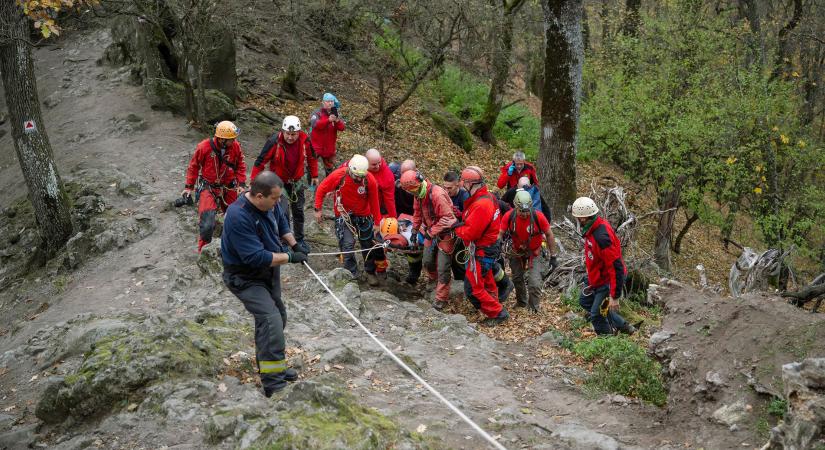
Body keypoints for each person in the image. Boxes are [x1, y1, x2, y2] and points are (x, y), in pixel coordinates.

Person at [221, 171, 309, 397]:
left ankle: (274, 367)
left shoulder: (271, 203)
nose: (278, 202)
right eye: (274, 199)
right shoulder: (238, 216)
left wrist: (294, 244)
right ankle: (273, 383)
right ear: (259, 196)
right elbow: (255, 257)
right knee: (270, 321)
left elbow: (281, 223)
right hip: (244, 277)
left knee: (278, 317)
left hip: (267, 273)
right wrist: (290, 257)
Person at [314, 154, 387, 286]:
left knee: (367, 244)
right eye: (356, 176)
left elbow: (374, 201)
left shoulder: (369, 180)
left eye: (361, 176)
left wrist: (377, 222)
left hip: (363, 214)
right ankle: (351, 273)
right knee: (347, 244)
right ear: (350, 170)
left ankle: (370, 271)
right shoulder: (339, 175)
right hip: (344, 215)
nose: (359, 179)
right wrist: (318, 209)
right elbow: (322, 189)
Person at [454, 166, 509, 326]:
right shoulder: (487, 197)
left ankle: (497, 313)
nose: (462, 186)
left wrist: (456, 227)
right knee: (487, 277)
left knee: (473, 288)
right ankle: (494, 302)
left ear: (469, 183)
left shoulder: (482, 204)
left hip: (482, 249)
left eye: (463, 182)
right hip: (489, 247)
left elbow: (471, 233)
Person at [572, 196, 636, 335]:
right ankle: (622, 325)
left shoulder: (601, 237)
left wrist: (614, 295)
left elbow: (616, 266)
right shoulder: (592, 228)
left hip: (608, 281)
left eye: (577, 217)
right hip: (599, 279)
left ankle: (607, 340)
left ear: (583, 218)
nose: (577, 219)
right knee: (585, 301)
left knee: (596, 314)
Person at [251, 115, 318, 244]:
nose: (290, 137)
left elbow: (312, 158)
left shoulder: (305, 141)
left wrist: (314, 175)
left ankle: (299, 239)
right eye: (288, 134)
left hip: (297, 182)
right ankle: (285, 241)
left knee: (298, 210)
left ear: (299, 132)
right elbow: (260, 162)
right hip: (278, 183)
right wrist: (254, 182)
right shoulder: (274, 142)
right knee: (283, 212)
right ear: (283, 131)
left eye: (294, 134)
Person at [183, 120, 247, 252]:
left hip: (229, 186)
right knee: (207, 224)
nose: (234, 140)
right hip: (209, 187)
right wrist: (188, 187)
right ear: (222, 139)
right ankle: (203, 250)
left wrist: (241, 184)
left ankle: (235, 247)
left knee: (236, 218)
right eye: (231, 139)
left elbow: (240, 164)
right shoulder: (204, 147)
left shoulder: (235, 147)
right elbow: (193, 167)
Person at [400, 170, 457, 310]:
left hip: (445, 234)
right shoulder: (419, 195)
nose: (411, 194)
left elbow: (449, 218)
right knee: (427, 261)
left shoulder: (437, 194)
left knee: (443, 267)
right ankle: (433, 281)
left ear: (418, 185)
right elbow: (418, 213)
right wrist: (414, 230)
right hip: (431, 232)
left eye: (411, 191)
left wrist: (431, 232)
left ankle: (440, 298)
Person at [499, 189, 557, 312]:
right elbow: (500, 233)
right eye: (521, 211)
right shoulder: (509, 216)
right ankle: (521, 302)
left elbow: (549, 235)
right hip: (516, 250)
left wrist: (553, 256)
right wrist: (496, 247)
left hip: (535, 251)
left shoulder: (538, 217)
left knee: (534, 282)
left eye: (527, 211)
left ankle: (534, 307)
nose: (524, 214)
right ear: (515, 207)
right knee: (517, 278)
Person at [309, 93, 345, 177]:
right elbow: (315, 125)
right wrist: (328, 120)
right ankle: (311, 186)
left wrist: (337, 121)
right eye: (328, 101)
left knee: (329, 169)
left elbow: (342, 128)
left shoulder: (336, 113)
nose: (330, 103)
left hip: (329, 148)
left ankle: (328, 186)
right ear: (323, 102)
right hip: (316, 146)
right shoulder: (317, 113)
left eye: (331, 101)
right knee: (311, 166)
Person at [365, 148, 397, 218]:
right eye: (374, 164)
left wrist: (393, 218)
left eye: (379, 162)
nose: (377, 166)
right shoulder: (358, 167)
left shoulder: (387, 175)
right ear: (366, 162)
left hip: (375, 205)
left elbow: (389, 199)